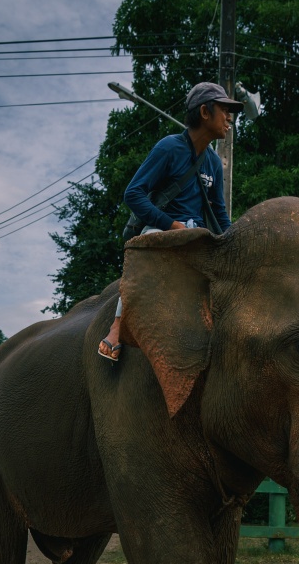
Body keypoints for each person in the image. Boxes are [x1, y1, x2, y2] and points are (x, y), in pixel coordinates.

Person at [98, 81, 243, 361]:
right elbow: (133, 194)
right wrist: (171, 225)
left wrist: (234, 245)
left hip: (197, 236)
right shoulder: (169, 148)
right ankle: (116, 327)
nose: (230, 118)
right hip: (164, 230)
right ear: (204, 112)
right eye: (225, 110)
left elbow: (220, 214)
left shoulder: (214, 162)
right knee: (150, 253)